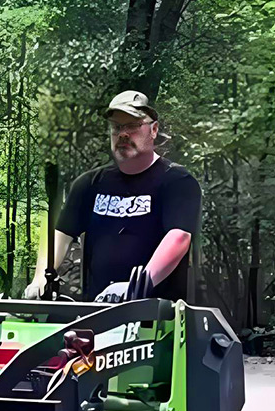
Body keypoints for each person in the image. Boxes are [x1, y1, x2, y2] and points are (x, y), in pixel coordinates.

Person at [24, 90, 201, 302]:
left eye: (133, 126)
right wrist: (39, 280)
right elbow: (60, 235)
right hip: (96, 315)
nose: (123, 134)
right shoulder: (89, 184)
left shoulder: (177, 181)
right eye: (117, 127)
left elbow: (179, 237)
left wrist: (136, 287)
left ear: (153, 130)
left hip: (156, 316)